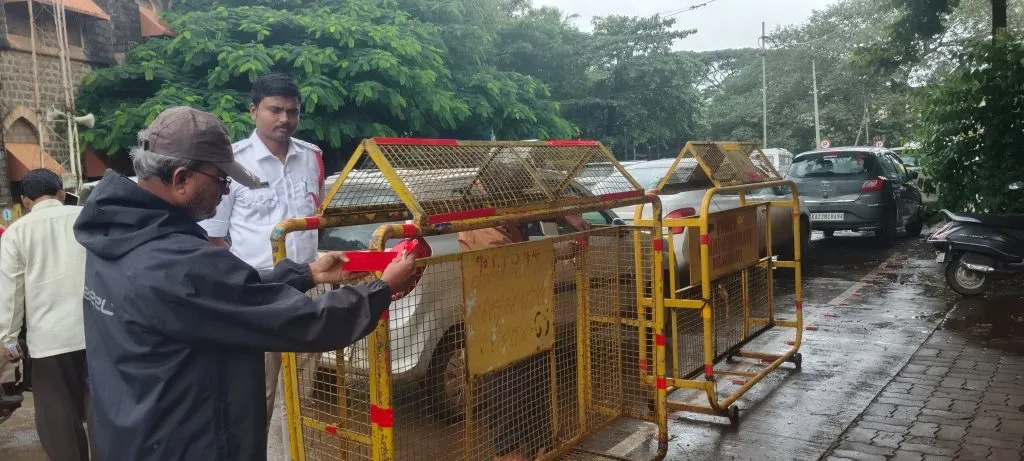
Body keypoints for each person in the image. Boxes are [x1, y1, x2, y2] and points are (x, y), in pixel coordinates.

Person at [72, 106, 419, 461]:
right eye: (221, 179)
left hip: (133, 432)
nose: (225, 192)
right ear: (180, 179)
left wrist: (308, 273)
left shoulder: (118, 236)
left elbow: (210, 297)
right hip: (186, 442)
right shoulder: (181, 261)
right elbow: (307, 322)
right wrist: (383, 289)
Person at [198, 72, 327, 438]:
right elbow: (214, 237)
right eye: (275, 110)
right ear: (254, 110)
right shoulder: (233, 162)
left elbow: (316, 218)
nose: (284, 119)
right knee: (258, 394)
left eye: (292, 111)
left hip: (308, 288)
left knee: (301, 393)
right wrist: (243, 287)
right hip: (258, 294)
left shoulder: (312, 157)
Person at [457, 215, 591, 461]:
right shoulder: (479, 219)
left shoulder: (512, 209)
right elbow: (504, 259)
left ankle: (542, 443)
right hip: (498, 317)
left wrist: (565, 215)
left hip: (525, 310)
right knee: (507, 384)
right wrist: (551, 251)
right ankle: (508, 451)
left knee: (535, 377)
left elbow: (538, 211)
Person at [0, 168, 93, 460]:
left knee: (58, 419)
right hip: (97, 332)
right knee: (103, 410)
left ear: (26, 201)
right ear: (62, 193)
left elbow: (11, 295)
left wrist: (10, 342)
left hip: (48, 343)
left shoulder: (16, 232)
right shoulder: (85, 219)